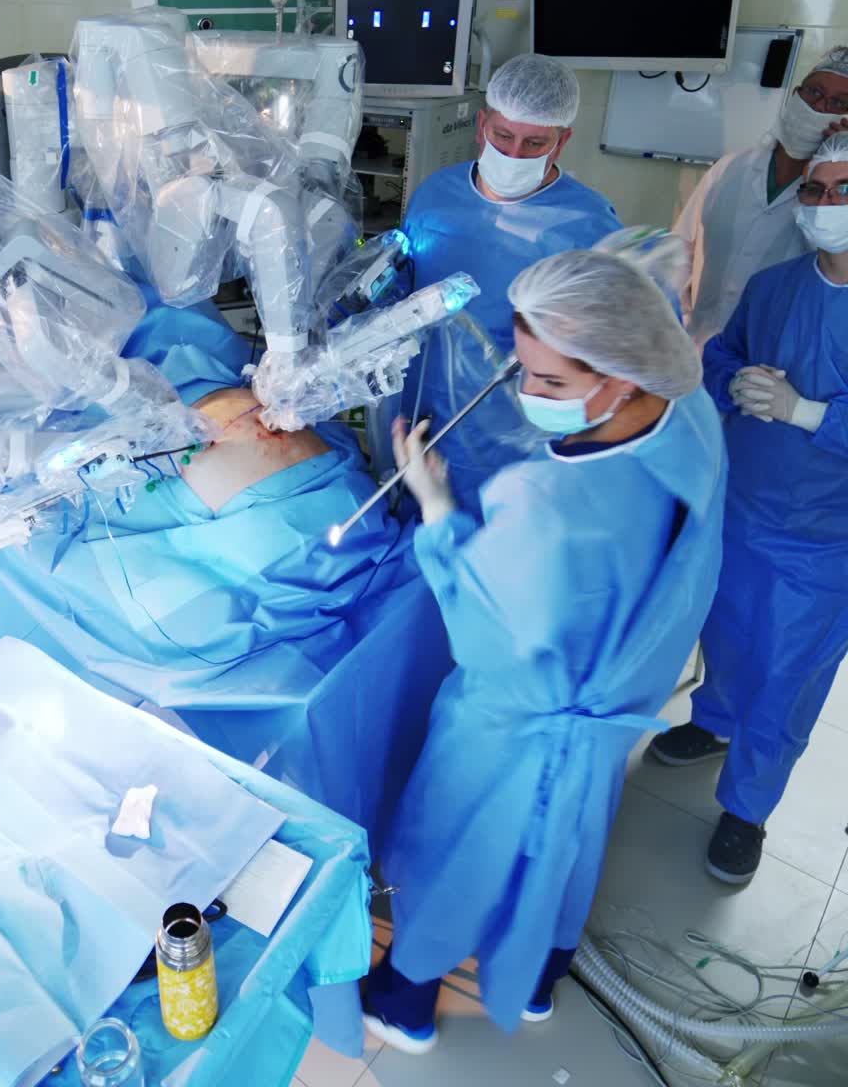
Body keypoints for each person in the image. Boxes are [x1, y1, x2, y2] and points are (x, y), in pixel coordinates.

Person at [363, 249, 725, 1050]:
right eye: (522, 372)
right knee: (563, 847)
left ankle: (405, 1000)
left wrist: (439, 509)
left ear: (623, 374)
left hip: (514, 722)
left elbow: (481, 633)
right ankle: (535, 981)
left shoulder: (542, 501)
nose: (527, 396)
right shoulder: (690, 414)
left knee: (454, 849)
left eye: (550, 383)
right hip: (613, 708)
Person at [649, 132, 848, 885]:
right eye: (815, 190)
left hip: (827, 538)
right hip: (745, 502)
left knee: (788, 670)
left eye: (841, 191)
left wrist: (809, 415)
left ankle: (749, 808)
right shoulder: (777, 286)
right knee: (726, 630)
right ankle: (714, 722)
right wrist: (729, 379)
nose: (825, 205)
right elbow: (723, 351)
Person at [397, 53, 623, 511]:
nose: (514, 154)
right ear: (482, 125)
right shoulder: (435, 196)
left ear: (562, 142)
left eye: (535, 143)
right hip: (422, 413)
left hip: (515, 438)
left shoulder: (588, 226)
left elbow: (604, 353)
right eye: (503, 136)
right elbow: (403, 290)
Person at [674, 45, 848, 345]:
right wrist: (674, 323)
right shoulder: (730, 168)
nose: (820, 107)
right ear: (795, 95)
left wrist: (833, 163)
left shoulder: (836, 200)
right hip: (694, 344)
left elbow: (837, 271)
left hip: (771, 360)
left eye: (838, 102)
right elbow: (680, 250)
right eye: (815, 93)